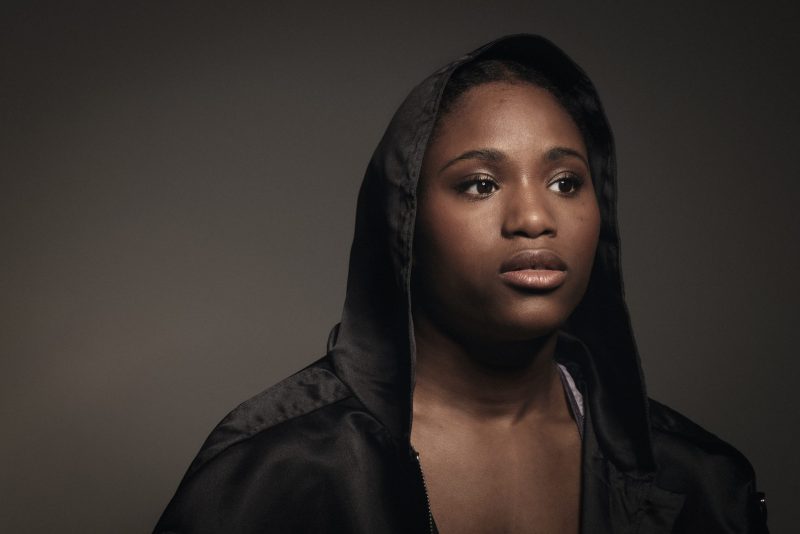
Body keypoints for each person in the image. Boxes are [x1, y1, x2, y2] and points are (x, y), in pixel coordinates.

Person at [154, 34, 769, 533]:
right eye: (481, 184)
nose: (534, 218)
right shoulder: (269, 475)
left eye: (565, 182)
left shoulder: (702, 481)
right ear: (405, 221)